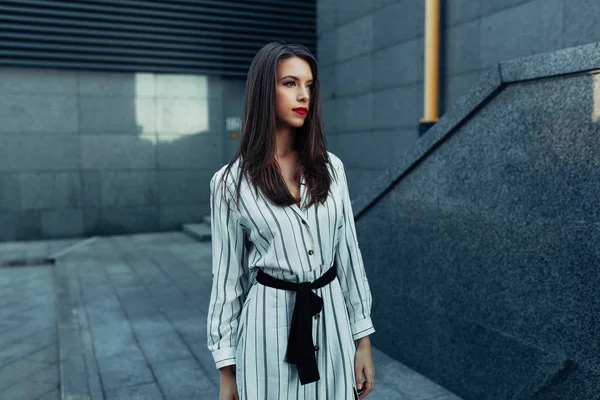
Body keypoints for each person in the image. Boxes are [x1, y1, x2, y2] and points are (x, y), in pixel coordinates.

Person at [207, 42, 375, 400]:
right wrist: (227, 371)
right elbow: (226, 280)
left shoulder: (331, 168)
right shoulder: (229, 183)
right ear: (264, 91)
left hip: (331, 320)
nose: (303, 95)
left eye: (309, 85)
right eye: (289, 83)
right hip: (266, 328)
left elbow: (348, 255)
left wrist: (362, 340)